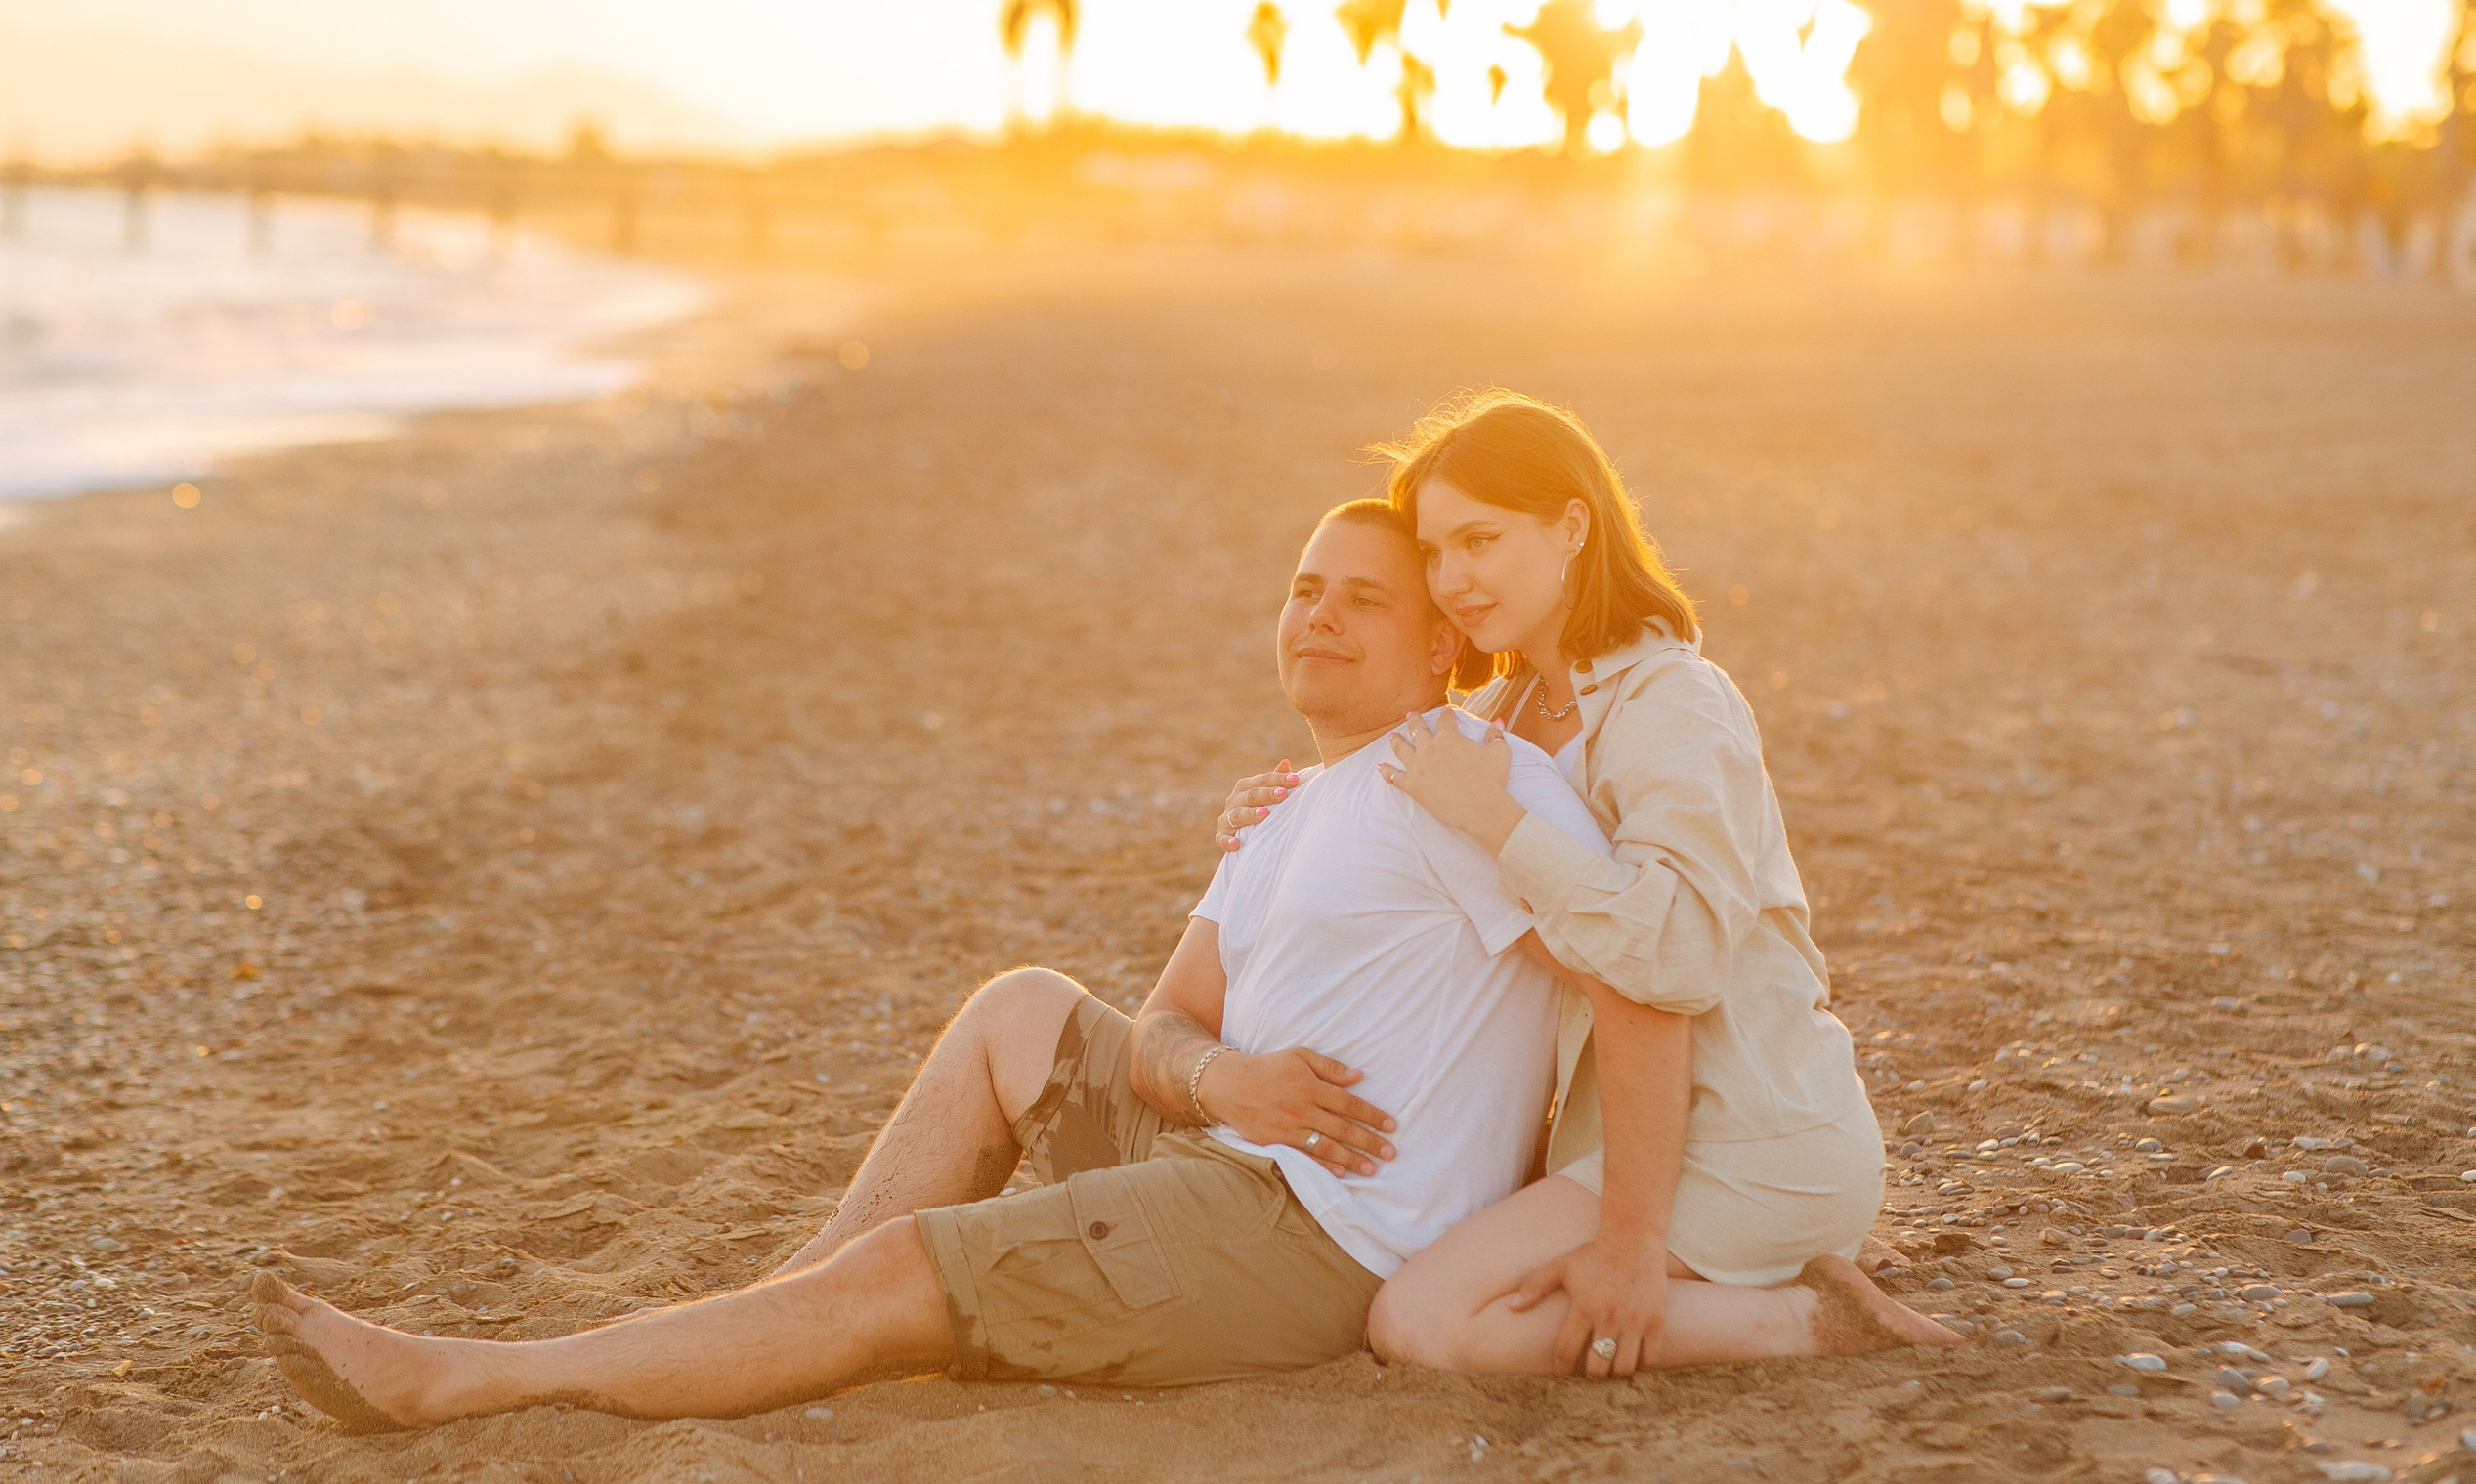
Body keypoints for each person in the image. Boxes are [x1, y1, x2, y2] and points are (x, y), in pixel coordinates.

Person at [253, 499, 1926, 1431]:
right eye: (1298, 588)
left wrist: (1630, 1235)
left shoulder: (1473, 788)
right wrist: (1219, 1078)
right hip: (1225, 1146)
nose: (1317, 618)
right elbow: (1170, 1019)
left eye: (1365, 600)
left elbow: (1642, 985)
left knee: (905, 1274)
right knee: (1019, 1007)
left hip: (1309, 1229)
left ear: (1442, 646)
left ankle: (473, 1382)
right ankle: (762, 1318)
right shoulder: (1289, 806)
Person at [1218, 392, 1960, 1379]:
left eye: (1479, 540)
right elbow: (1376, 794)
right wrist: (1271, 812)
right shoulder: (1502, 710)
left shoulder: (1675, 705)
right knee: (1409, 1303)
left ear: (1572, 526)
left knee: (1426, 1327)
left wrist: (1626, 1245)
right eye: (1435, 554)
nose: (1453, 580)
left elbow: (1677, 958)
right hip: (1606, 1140)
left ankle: (1802, 1321)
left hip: (1747, 1137)